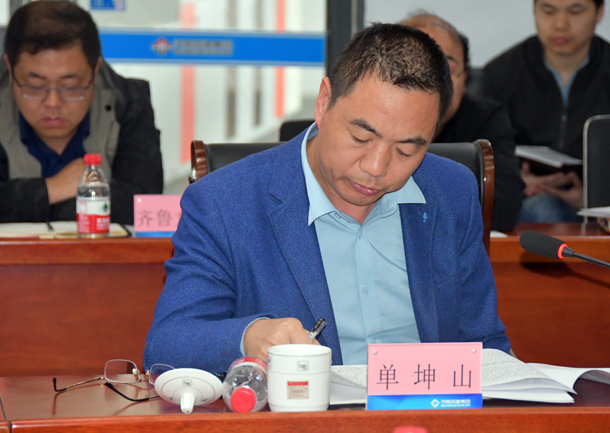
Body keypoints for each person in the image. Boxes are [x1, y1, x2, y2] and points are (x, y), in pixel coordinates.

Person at [144, 24, 510, 373]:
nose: (376, 167)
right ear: (323, 102)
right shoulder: (224, 202)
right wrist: (248, 337)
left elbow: (484, 345)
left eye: (406, 150)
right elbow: (168, 343)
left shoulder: (452, 191)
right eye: (361, 138)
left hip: (429, 406)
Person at [481, 0, 610, 223]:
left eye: (575, 11)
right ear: (535, 11)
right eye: (548, 11)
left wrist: (593, 198)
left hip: (599, 207)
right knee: (544, 209)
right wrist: (518, 183)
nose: (560, 24)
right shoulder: (500, 73)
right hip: (526, 199)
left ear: (599, 12)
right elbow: (487, 153)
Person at [0, 1, 163, 224]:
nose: (53, 103)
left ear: (95, 70)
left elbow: (143, 205)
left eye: (70, 86)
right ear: (10, 69)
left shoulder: (127, 102)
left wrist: (29, 202)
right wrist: (52, 189)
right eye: (36, 86)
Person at [401, 13, 524, 232]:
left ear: (465, 77)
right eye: (418, 67)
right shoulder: (369, 120)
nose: (434, 82)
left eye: (446, 70)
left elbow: (502, 210)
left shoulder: (486, 119)